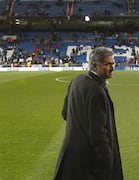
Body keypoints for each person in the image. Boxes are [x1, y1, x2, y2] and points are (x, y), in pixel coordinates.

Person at [53, 47, 123, 180]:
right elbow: (98, 133)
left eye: (113, 64)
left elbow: (65, 113)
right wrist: (108, 161)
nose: (112, 68)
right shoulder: (97, 91)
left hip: (71, 154)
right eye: (107, 64)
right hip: (89, 162)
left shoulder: (76, 80)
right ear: (95, 66)